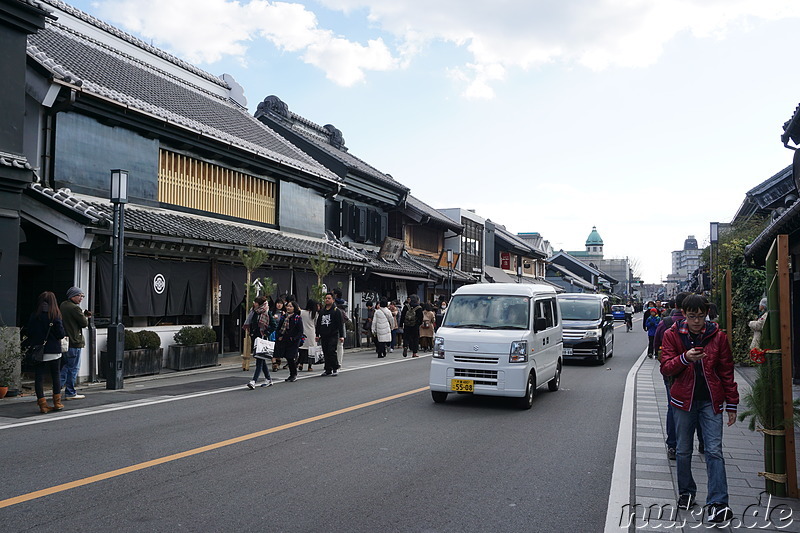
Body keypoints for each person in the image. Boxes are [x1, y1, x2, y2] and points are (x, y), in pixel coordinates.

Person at [660, 294, 738, 523]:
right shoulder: (672, 334)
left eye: (701, 316)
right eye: (692, 316)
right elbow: (666, 368)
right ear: (684, 314)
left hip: (711, 401)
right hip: (683, 401)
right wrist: (685, 358)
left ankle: (718, 503)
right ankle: (686, 492)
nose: (697, 321)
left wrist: (731, 403)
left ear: (707, 315)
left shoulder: (718, 336)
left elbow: (726, 371)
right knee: (683, 449)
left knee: (714, 450)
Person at [654, 292, 704, 460]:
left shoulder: (665, 323)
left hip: (672, 372)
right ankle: (703, 442)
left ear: (676, 306)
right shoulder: (703, 326)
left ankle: (673, 446)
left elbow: (656, 343)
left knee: (673, 407)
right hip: (697, 372)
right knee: (698, 404)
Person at [25, 291, 67, 414]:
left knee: (39, 377)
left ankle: (43, 405)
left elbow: (29, 332)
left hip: (38, 350)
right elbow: (61, 334)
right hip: (53, 350)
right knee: (55, 375)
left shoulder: (34, 315)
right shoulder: (55, 315)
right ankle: (57, 402)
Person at [59, 286, 90, 400]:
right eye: (80, 296)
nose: (81, 298)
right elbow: (83, 323)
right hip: (75, 341)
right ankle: (70, 392)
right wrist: (85, 316)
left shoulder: (63, 305)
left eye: (82, 296)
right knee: (73, 368)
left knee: (65, 367)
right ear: (73, 296)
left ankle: (57, 390)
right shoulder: (74, 308)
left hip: (66, 341)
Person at [246, 296, 275, 389]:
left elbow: (274, 325)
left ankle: (253, 381)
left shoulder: (266, 312)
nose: (254, 303)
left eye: (255, 302)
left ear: (260, 304)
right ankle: (268, 379)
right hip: (255, 338)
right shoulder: (253, 312)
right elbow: (250, 323)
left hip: (262, 338)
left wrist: (266, 332)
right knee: (260, 358)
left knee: (259, 360)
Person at [316, 292, 345, 376]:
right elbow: (318, 324)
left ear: (333, 300)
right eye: (326, 298)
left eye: (329, 298)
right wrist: (317, 334)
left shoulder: (336, 311)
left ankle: (335, 367)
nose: (327, 300)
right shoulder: (322, 311)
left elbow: (340, 324)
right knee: (325, 351)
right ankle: (327, 369)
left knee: (331, 351)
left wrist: (342, 336)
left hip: (333, 334)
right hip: (324, 334)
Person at [274, 300, 304, 382]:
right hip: (285, 339)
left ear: (294, 308)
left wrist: (294, 338)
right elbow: (279, 328)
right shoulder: (284, 317)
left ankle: (293, 374)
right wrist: (279, 336)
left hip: (293, 341)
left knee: (291, 357)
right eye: (288, 306)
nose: (288, 308)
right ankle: (292, 373)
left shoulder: (297, 318)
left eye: (291, 306)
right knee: (287, 357)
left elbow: (300, 331)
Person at [299, 298, 319, 371]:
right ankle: (309, 366)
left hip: (303, 332)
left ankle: (301, 363)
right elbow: (316, 324)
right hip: (311, 333)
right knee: (311, 351)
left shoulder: (302, 312)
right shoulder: (315, 314)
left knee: (302, 349)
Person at [271, 298, 285, 372]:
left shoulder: (284, 313)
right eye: (278, 303)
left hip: (280, 333)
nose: (279, 305)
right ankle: (274, 363)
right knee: (272, 348)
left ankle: (278, 361)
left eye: (281, 303)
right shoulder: (272, 312)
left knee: (279, 348)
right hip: (272, 333)